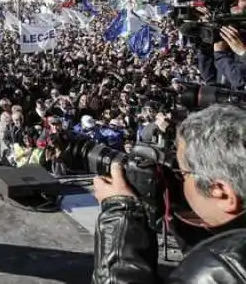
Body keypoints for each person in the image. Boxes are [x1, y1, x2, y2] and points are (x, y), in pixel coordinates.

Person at [92, 104, 246, 283]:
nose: (177, 180)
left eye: (182, 173)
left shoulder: (219, 269)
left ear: (221, 193)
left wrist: (119, 210)